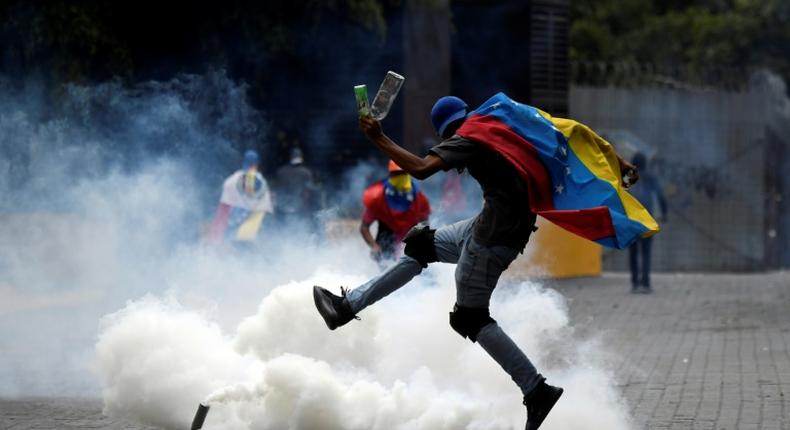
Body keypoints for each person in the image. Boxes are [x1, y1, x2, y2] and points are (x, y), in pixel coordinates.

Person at [313, 93, 658, 430]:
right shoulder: (501, 115)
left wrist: (379, 137)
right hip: (490, 227)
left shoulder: (466, 139)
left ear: (448, 133)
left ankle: (536, 390)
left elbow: (420, 168)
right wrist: (616, 160)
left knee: (470, 317)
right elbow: (565, 129)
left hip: (491, 239)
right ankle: (347, 306)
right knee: (420, 244)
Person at [359, 160, 431, 260]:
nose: (400, 177)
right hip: (386, 242)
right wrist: (374, 246)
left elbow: (425, 223)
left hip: (409, 240)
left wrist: (419, 242)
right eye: (396, 174)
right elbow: (364, 227)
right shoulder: (377, 196)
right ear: (390, 175)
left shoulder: (419, 197)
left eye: (403, 173)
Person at [207, 149, 273, 247]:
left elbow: (222, 212)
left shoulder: (230, 181)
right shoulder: (262, 183)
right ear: (257, 164)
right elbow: (266, 212)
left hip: (230, 232)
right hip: (251, 234)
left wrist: (214, 237)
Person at [628, 153, 668, 293]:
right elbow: (661, 196)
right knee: (646, 252)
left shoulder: (629, 176)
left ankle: (634, 283)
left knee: (633, 253)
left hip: (631, 220)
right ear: (646, 163)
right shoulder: (651, 177)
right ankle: (645, 283)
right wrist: (664, 214)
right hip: (646, 219)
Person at [273, 146, 318, 234]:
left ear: (290, 157)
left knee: (283, 234)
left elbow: (276, 192)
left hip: (283, 210)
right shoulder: (306, 173)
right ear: (301, 158)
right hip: (299, 210)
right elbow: (308, 193)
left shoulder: (281, 172)